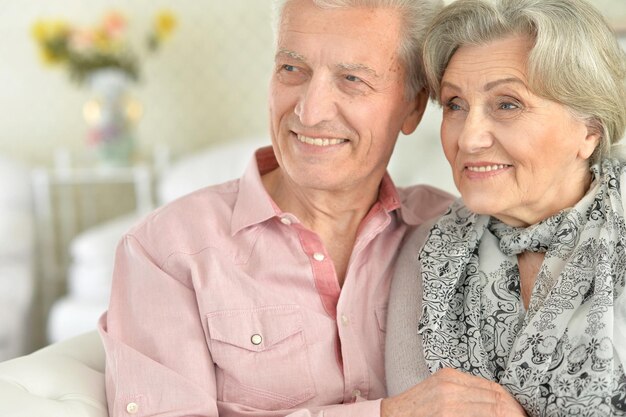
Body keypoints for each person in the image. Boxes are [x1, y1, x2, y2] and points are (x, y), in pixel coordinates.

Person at [98, 0, 528, 416]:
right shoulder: (165, 251)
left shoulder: (460, 236)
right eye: (292, 69)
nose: (309, 110)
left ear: (413, 107)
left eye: (352, 79)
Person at [385, 0, 626, 416]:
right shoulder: (425, 252)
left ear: (590, 130)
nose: (469, 138)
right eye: (456, 105)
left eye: (507, 104)